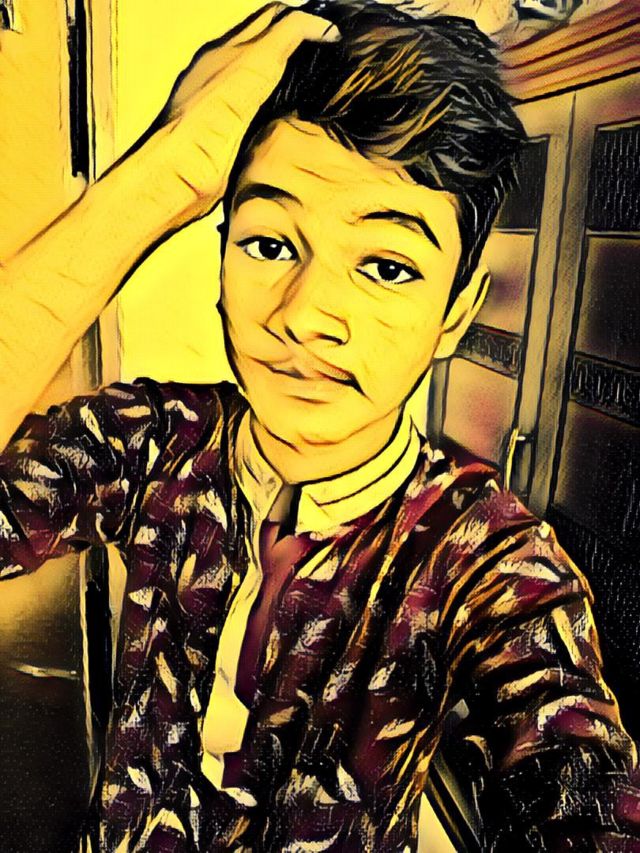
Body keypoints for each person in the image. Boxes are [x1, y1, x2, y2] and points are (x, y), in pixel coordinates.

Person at [1, 1, 639, 850]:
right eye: (269, 245)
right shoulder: (156, 439)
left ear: (456, 313)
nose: (305, 316)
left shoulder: (485, 557)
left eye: (387, 266)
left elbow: (584, 792)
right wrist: (163, 177)